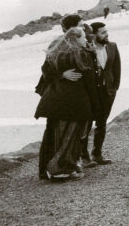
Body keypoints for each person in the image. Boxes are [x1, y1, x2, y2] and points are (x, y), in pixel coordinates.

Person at [34, 26, 101, 180]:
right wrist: (96, 106)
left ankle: (56, 168)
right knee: (70, 136)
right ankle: (60, 168)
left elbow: (45, 72)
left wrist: (61, 74)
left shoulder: (57, 53)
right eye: (83, 36)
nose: (86, 39)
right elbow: (89, 81)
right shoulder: (81, 54)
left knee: (59, 135)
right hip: (74, 103)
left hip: (56, 102)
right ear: (74, 39)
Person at [85, 22, 121, 165]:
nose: (107, 34)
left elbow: (116, 68)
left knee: (102, 123)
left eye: (106, 31)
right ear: (93, 35)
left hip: (108, 91)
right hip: (91, 93)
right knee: (87, 124)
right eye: (103, 32)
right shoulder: (87, 49)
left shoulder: (112, 46)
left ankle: (97, 153)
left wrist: (115, 87)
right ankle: (84, 156)